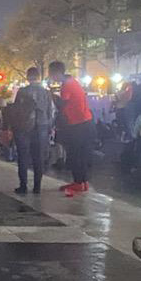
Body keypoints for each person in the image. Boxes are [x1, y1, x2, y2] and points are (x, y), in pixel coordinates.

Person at [48, 61, 94, 197]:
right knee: (81, 154)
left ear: (57, 73)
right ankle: (82, 182)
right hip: (85, 122)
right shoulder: (72, 81)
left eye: (51, 74)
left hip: (77, 124)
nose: (51, 77)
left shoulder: (66, 86)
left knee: (74, 154)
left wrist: (51, 96)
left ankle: (78, 183)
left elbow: (62, 105)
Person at [9, 67, 54, 194]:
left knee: (23, 156)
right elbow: (51, 112)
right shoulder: (46, 92)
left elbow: (16, 111)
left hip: (24, 127)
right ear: (39, 77)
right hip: (41, 127)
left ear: (28, 77)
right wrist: (49, 127)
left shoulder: (22, 92)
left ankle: (23, 186)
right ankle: (37, 187)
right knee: (38, 157)